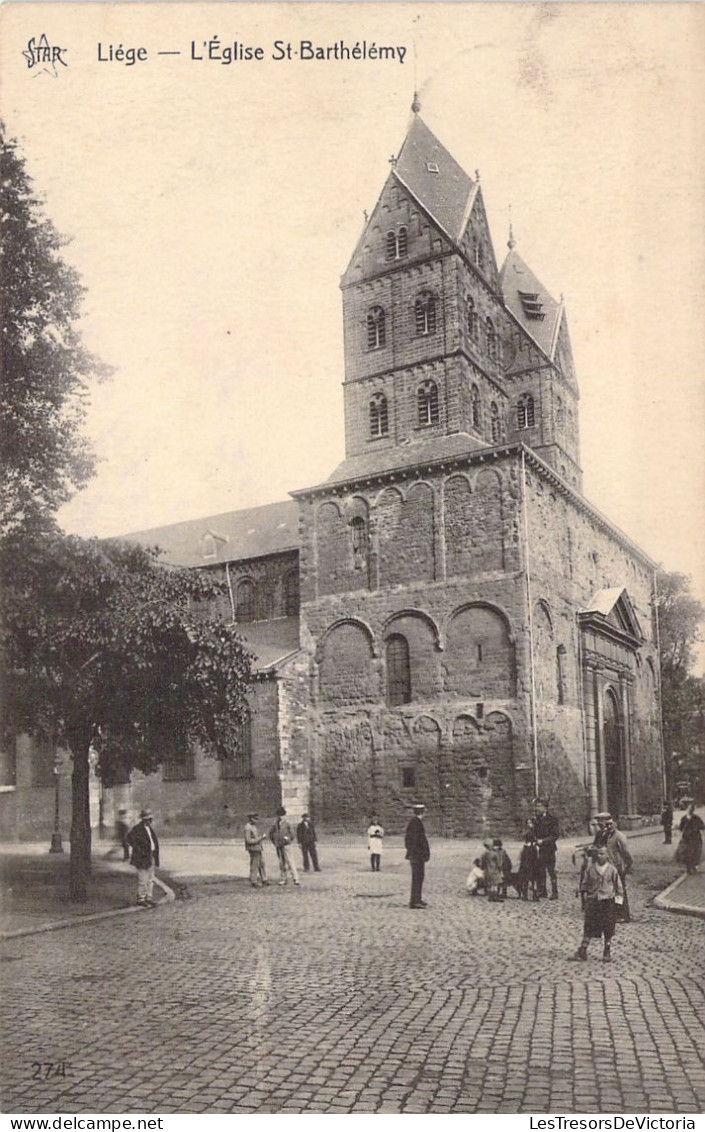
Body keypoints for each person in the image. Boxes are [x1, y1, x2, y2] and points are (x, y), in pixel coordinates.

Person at [572, 845, 624, 963]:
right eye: (598, 854)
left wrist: (618, 904)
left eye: (602, 854)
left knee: (608, 926)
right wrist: (584, 898)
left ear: (607, 855)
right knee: (589, 925)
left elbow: (619, 887)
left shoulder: (612, 870)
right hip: (593, 901)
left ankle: (607, 950)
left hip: (607, 901)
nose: (600, 856)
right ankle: (583, 950)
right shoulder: (590, 869)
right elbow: (584, 884)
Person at [593, 813, 633, 922]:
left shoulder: (619, 836)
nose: (607, 826)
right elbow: (598, 846)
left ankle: (623, 914)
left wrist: (626, 868)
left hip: (617, 867)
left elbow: (627, 855)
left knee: (619, 891)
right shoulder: (603, 834)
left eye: (610, 823)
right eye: (606, 824)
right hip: (606, 867)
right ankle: (611, 913)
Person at [125, 808, 160, 907]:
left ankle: (149, 897)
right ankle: (141, 898)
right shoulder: (137, 829)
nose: (150, 821)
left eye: (150, 819)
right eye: (148, 819)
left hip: (151, 856)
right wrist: (139, 850)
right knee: (143, 879)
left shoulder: (149, 829)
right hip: (142, 858)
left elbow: (153, 843)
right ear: (143, 819)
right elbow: (129, 839)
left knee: (150, 879)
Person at [533, 798, 560, 899]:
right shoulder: (537, 819)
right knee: (541, 870)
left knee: (551, 871)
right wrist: (531, 827)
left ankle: (555, 892)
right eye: (536, 806)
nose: (536, 808)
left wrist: (543, 841)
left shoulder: (552, 819)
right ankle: (543, 891)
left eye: (539, 806)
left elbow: (555, 835)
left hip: (549, 849)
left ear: (544, 808)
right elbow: (534, 833)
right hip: (540, 849)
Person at [404, 802, 430, 909]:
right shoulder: (416, 823)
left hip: (417, 856)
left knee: (419, 877)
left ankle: (417, 899)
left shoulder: (415, 822)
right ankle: (414, 901)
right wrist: (418, 854)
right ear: (422, 812)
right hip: (417, 856)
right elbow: (415, 841)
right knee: (417, 878)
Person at [269, 805, 300, 886]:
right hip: (279, 845)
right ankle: (283, 878)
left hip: (286, 845)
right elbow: (270, 834)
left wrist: (288, 839)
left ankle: (296, 878)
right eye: (279, 815)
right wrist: (274, 842)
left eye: (282, 815)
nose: (281, 817)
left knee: (290, 861)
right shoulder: (275, 824)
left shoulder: (287, 824)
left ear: (284, 815)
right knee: (281, 863)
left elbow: (293, 834)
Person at [676, 801, 704, 874]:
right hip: (686, 838)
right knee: (686, 853)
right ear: (687, 809)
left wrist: (697, 827)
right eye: (689, 809)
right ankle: (688, 868)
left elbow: (702, 826)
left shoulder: (696, 818)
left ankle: (693, 866)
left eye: (691, 809)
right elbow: (681, 828)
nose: (690, 810)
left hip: (695, 838)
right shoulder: (684, 818)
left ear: (693, 810)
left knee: (695, 853)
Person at [244, 811, 269, 887]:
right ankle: (253, 881)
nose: (256, 820)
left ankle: (264, 880)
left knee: (262, 864)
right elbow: (248, 840)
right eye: (255, 819)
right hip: (253, 849)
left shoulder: (253, 826)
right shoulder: (248, 827)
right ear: (251, 818)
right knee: (254, 865)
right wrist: (260, 838)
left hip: (258, 848)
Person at [517, 835, 541, 901]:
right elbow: (538, 857)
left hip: (525, 867)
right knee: (534, 881)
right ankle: (535, 895)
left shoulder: (523, 848)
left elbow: (520, 857)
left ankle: (525, 895)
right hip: (534, 867)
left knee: (525, 881)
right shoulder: (536, 848)